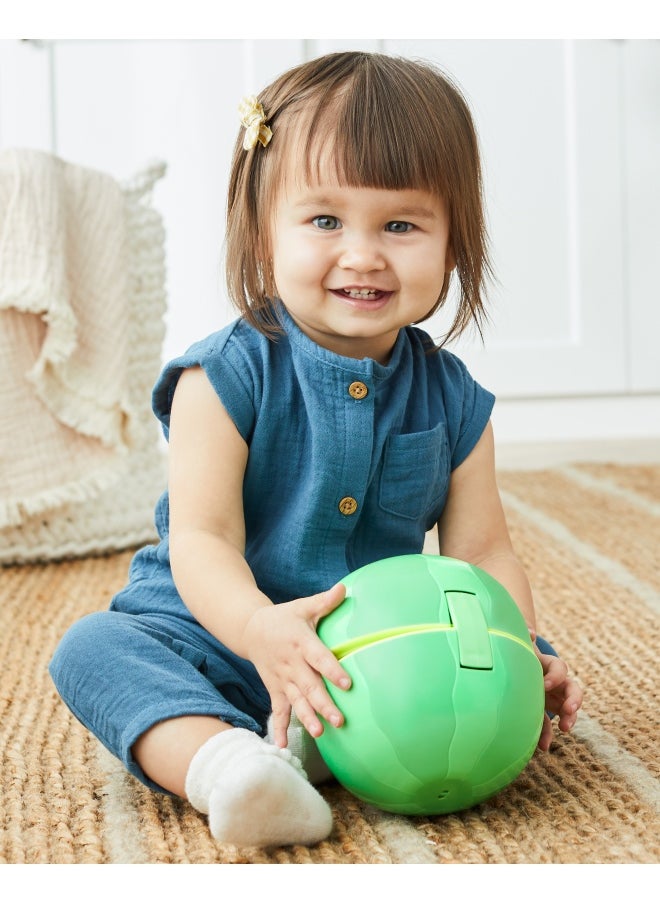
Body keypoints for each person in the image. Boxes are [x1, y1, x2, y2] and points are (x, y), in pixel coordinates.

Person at [49, 50, 583, 849]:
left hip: (376, 658)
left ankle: (321, 738)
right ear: (265, 234)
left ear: (455, 241)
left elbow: (482, 552)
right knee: (92, 650)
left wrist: (519, 649)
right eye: (325, 221)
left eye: (400, 225)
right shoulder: (220, 377)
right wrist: (259, 631)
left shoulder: (457, 400)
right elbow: (202, 540)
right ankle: (227, 764)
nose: (363, 254)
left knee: (449, 688)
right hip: (217, 635)